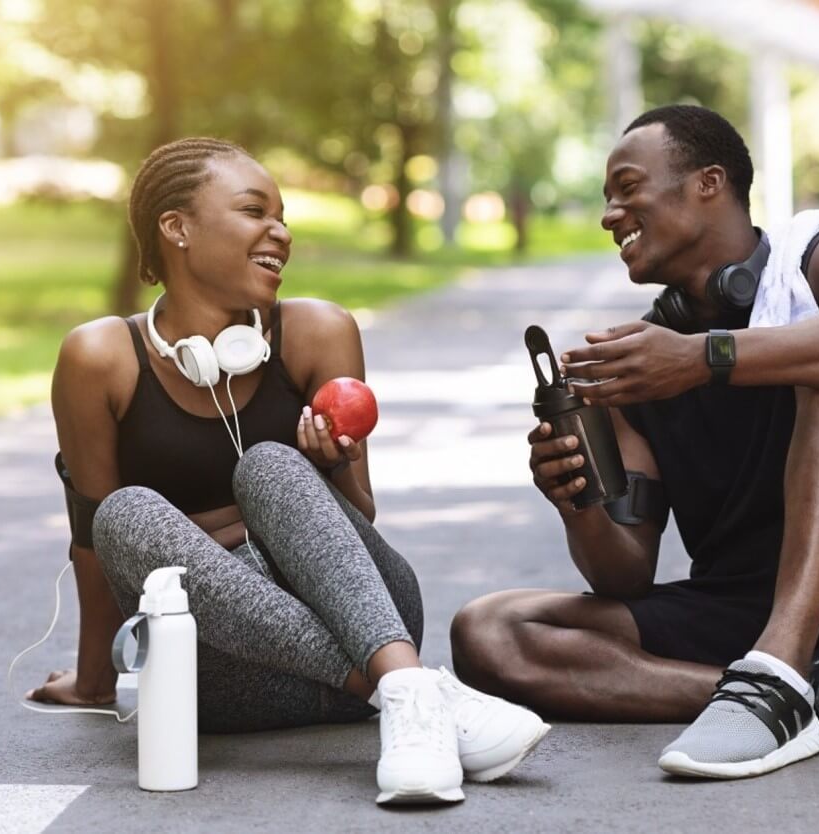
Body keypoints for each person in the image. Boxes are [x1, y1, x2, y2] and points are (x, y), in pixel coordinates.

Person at [450, 105, 819, 780]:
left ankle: (779, 673)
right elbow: (624, 575)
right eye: (607, 198)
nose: (611, 213)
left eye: (628, 187)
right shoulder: (639, 364)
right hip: (743, 613)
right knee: (490, 632)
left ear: (709, 182)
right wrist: (577, 502)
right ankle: (799, 692)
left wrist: (706, 358)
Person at [28, 137, 548, 805]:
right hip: (226, 671)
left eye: (282, 215)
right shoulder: (100, 357)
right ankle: (412, 693)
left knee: (271, 464)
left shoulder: (318, 331)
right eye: (254, 211)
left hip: (371, 625)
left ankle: (398, 682)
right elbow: (96, 546)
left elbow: (358, 518)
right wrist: (94, 680)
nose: (282, 232)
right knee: (123, 514)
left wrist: (331, 469)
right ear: (176, 227)